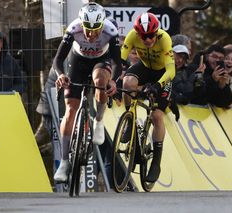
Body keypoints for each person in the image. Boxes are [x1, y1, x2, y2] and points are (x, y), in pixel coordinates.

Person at [53, 2, 121, 182]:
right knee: (70, 110)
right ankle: (65, 162)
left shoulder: (110, 30)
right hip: (78, 61)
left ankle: (98, 120)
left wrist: (113, 80)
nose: (91, 35)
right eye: (87, 30)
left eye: (96, 30)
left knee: (100, 81)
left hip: (101, 60)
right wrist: (61, 75)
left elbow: (117, 63)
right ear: (82, 24)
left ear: (102, 25)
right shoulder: (73, 29)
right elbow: (58, 60)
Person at [120, 12, 176, 182]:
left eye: (151, 36)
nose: (147, 40)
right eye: (143, 36)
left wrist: (158, 85)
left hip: (162, 74)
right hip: (144, 67)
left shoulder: (164, 39)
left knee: (156, 115)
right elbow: (121, 60)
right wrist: (115, 78)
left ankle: (156, 162)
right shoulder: (132, 36)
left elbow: (171, 70)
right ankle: (130, 120)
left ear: (156, 33)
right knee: (127, 83)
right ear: (137, 33)